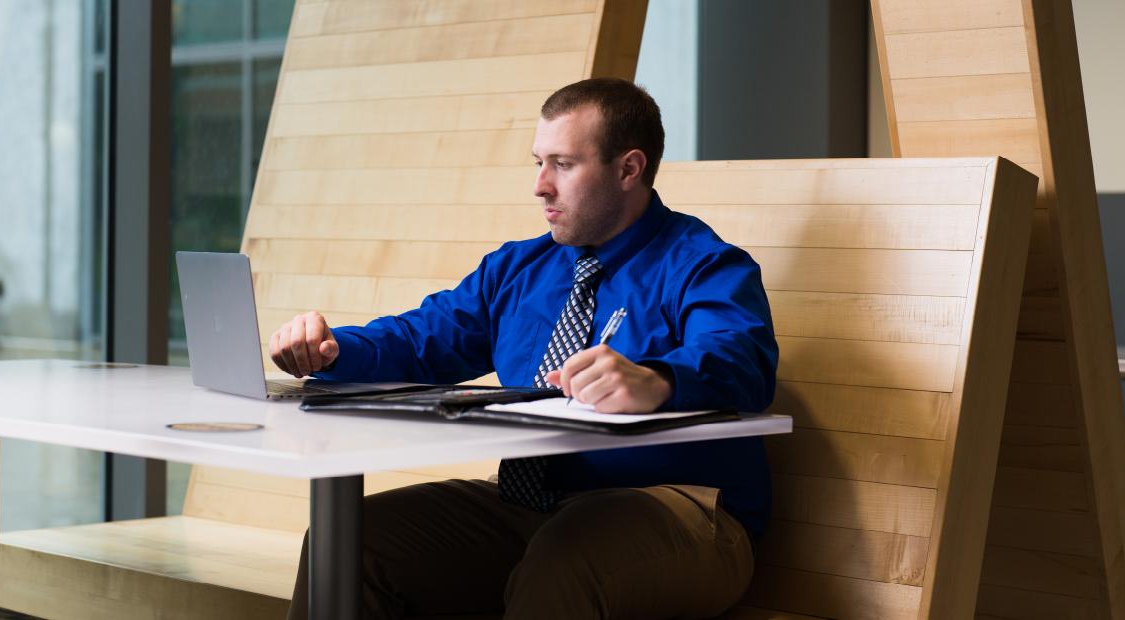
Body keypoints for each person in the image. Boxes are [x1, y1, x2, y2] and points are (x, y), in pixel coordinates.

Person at [270, 78, 778, 619]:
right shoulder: (517, 268)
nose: (540, 185)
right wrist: (330, 350)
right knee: (349, 542)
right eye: (538, 162)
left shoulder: (703, 263)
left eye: (562, 164)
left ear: (629, 169)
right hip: (532, 504)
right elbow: (422, 338)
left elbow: (741, 358)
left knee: (565, 560)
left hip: (683, 509)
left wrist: (658, 379)